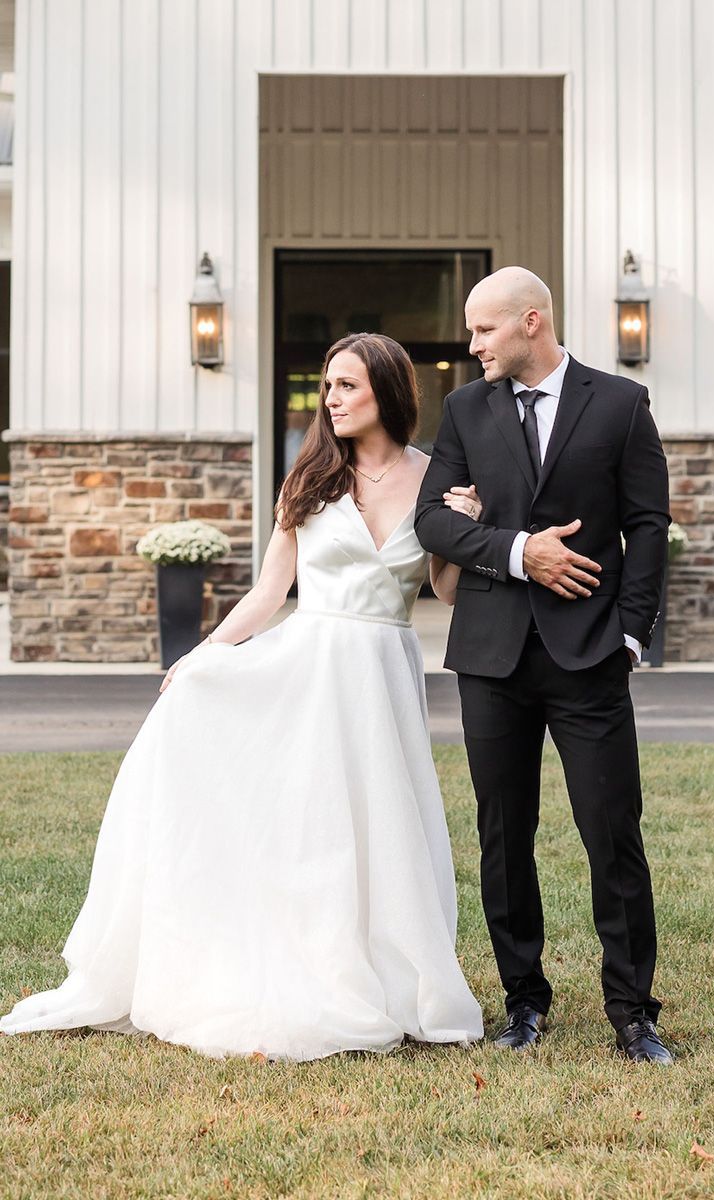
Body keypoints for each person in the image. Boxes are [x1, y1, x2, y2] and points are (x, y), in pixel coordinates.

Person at [1, 333, 485, 1061]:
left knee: (381, 821)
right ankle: (310, 962)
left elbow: (443, 589)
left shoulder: (433, 476)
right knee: (315, 827)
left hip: (385, 667)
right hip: (312, 666)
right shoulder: (312, 478)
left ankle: (393, 971)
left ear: (387, 390)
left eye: (347, 385)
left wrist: (470, 529)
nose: (332, 399)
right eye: (328, 386)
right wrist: (203, 656)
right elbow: (270, 591)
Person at [414, 267, 674, 1065]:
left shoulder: (621, 405)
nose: (470, 345)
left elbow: (648, 523)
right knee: (504, 837)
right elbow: (432, 521)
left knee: (612, 833)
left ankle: (633, 1014)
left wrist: (631, 634)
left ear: (532, 321)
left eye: (483, 330)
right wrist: (520, 552)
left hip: (590, 654)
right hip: (492, 658)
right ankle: (524, 1004)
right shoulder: (464, 408)